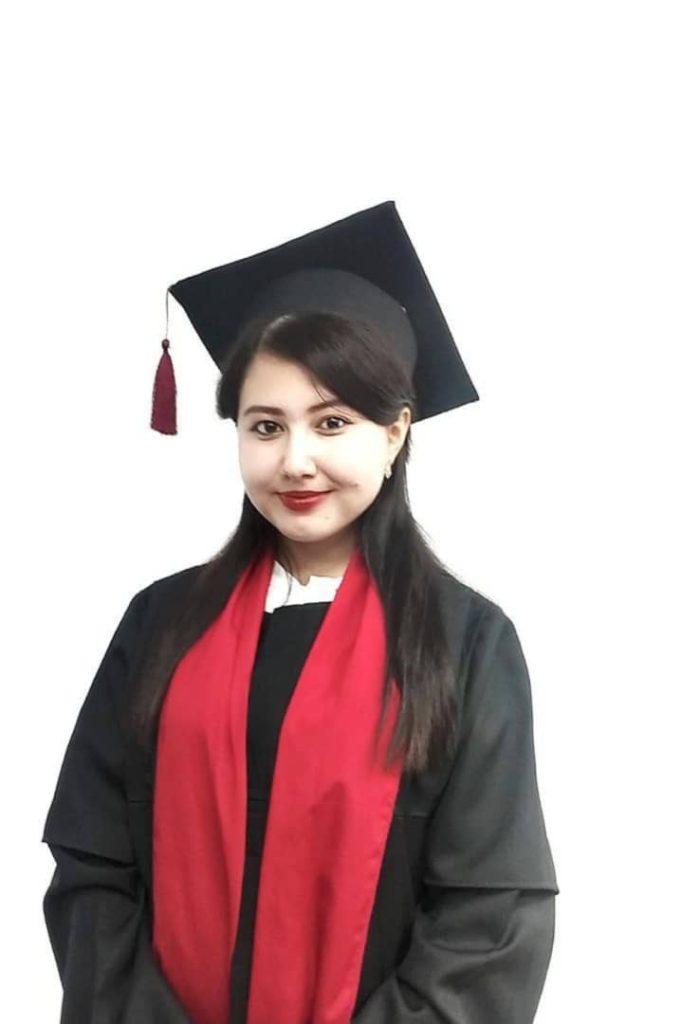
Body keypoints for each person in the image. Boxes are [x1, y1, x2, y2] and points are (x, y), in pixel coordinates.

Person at [41, 200, 560, 1023]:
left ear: (394, 435)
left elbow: (489, 921)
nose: (295, 460)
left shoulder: (465, 641)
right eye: (266, 425)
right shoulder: (161, 624)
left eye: (332, 423)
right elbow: (92, 867)